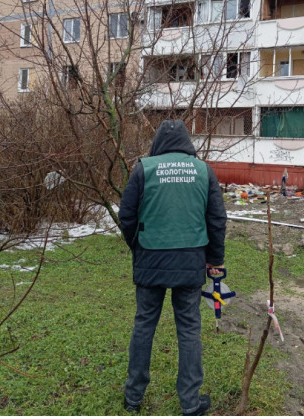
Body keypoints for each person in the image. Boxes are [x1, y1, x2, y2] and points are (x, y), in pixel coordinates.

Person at [119, 120, 228, 415]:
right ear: (187, 142)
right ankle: (191, 404)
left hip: (151, 260)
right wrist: (215, 260)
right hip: (191, 262)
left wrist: (138, 246)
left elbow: (126, 216)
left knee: (144, 326)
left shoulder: (144, 169)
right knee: (189, 329)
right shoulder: (204, 171)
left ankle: (133, 398)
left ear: (157, 143)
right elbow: (217, 220)